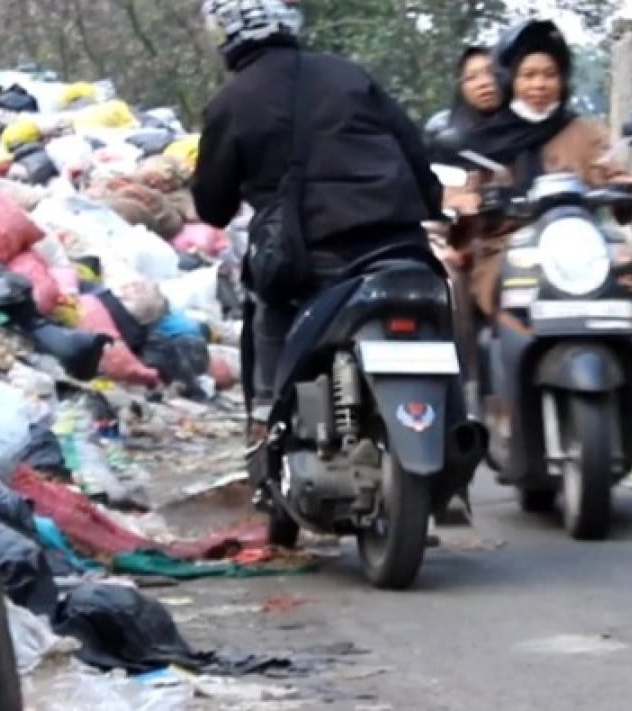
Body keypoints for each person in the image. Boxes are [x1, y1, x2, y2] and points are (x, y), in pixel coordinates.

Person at [190, 0, 444, 449]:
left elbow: (212, 207)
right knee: (435, 318)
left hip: (314, 257)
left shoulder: (232, 101)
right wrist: (431, 207)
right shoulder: (350, 74)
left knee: (267, 301)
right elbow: (413, 150)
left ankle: (267, 421)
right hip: (398, 242)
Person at [447, 19, 632, 409]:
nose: (539, 85)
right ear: (511, 79)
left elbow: (614, 176)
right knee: (486, 292)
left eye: (549, 74)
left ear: (563, 78)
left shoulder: (586, 131)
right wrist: (469, 202)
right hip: (510, 253)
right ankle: (493, 395)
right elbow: (465, 200)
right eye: (528, 74)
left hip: (582, 252)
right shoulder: (486, 138)